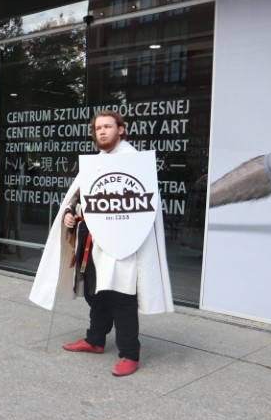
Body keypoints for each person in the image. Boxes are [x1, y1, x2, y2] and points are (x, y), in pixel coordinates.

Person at [29, 110, 173, 376]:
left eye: (108, 126)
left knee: (121, 296)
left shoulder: (134, 163)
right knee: (96, 294)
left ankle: (130, 354)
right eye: (98, 128)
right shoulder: (96, 163)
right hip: (93, 243)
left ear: (121, 129)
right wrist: (70, 213)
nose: (102, 131)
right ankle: (95, 340)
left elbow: (142, 208)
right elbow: (79, 197)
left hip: (124, 245)